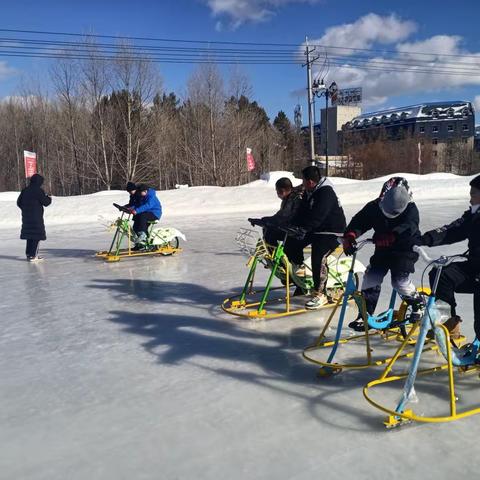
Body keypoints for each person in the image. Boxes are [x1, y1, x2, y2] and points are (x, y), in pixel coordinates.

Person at [342, 177, 422, 331]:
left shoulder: (410, 208)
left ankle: (417, 302)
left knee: (398, 281)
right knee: (372, 276)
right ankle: (365, 313)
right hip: (383, 249)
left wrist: (393, 235)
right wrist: (351, 235)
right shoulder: (375, 205)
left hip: (404, 250)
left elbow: (410, 225)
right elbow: (360, 220)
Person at [418, 174, 480, 343]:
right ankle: (449, 324)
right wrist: (425, 239)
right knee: (441, 275)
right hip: (474, 268)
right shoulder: (473, 215)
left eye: (473, 194)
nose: (470, 198)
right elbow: (453, 230)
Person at [284, 165, 346, 310]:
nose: (302, 183)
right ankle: (300, 275)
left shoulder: (326, 193)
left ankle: (320, 294)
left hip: (333, 231)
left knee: (318, 254)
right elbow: (303, 212)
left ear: (310, 181)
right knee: (292, 242)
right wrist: (291, 225)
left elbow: (318, 216)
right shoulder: (310, 191)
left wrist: (303, 228)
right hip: (317, 229)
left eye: (304, 180)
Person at [248, 177, 303, 246]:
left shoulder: (293, 199)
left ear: (282, 191)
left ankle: (273, 254)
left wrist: (265, 221)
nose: (277, 194)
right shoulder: (289, 198)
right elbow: (280, 216)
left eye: (278, 191)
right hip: (289, 228)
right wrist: (264, 221)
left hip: (295, 231)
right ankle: (272, 253)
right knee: (268, 229)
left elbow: (283, 217)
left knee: (270, 232)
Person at [17, 173, 52, 262]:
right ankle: (33, 256)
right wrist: (49, 197)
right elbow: (46, 202)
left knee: (30, 235)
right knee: (37, 235)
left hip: (26, 217)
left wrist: (25, 209)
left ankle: (29, 254)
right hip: (36, 217)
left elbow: (19, 202)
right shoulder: (38, 191)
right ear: (39, 182)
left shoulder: (25, 190)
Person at [126, 183, 162, 249]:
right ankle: (140, 244)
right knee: (136, 220)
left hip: (154, 213)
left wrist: (136, 211)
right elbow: (137, 204)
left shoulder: (151, 196)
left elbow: (147, 206)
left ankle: (142, 234)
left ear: (145, 191)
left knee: (142, 216)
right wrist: (128, 208)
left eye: (140, 192)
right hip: (146, 213)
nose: (139, 194)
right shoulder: (142, 196)